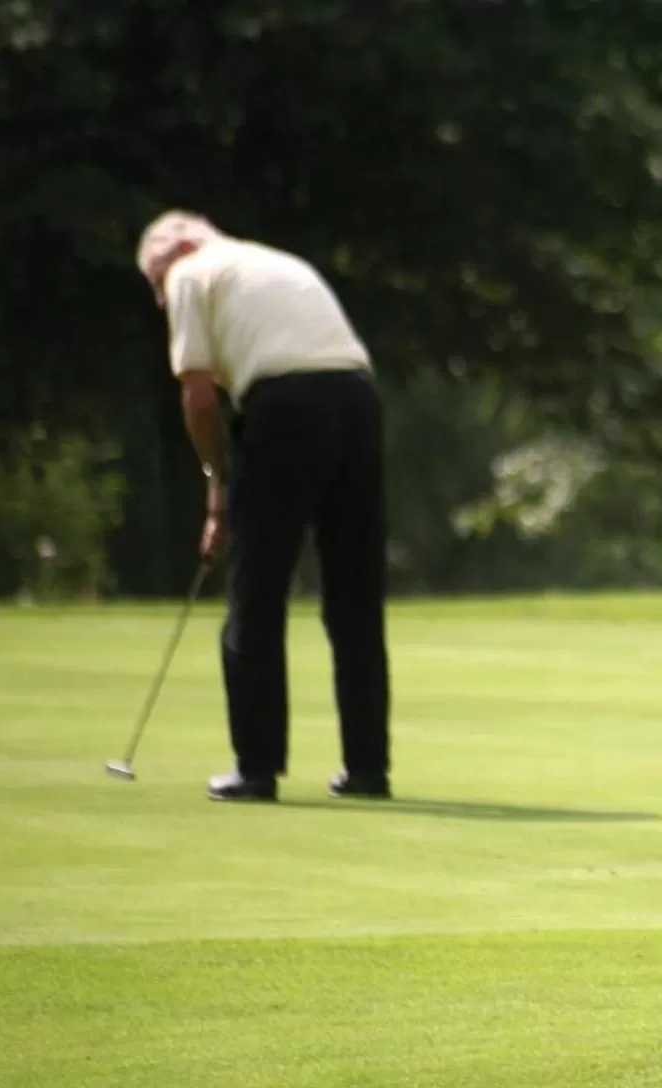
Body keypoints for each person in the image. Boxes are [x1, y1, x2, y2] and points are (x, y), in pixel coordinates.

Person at [135, 210, 393, 803]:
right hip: (357, 401)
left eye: (154, 284)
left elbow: (198, 400)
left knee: (256, 592)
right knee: (354, 595)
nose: (159, 300)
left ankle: (256, 769)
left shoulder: (191, 273)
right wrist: (222, 491)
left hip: (286, 405)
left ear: (174, 253)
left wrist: (215, 476)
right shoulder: (275, 262)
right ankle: (368, 769)